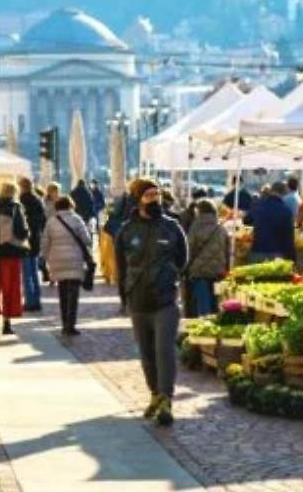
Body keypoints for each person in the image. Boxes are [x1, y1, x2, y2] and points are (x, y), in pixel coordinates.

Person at [116, 178, 188, 428]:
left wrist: (169, 276)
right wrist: (125, 295)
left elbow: (183, 259)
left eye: (157, 194)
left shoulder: (172, 227)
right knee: (146, 353)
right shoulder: (126, 230)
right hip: (138, 300)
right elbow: (121, 266)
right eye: (149, 195)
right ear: (138, 199)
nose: (155, 199)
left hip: (165, 299)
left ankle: (166, 399)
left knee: (164, 350)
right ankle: (155, 394)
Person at [0, 182, 30, 335]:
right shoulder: (15, 208)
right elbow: (22, 231)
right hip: (10, 253)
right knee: (10, 288)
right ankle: (7, 323)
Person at [42, 195, 92, 336]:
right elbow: (87, 240)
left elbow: (45, 242)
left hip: (57, 260)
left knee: (62, 293)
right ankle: (71, 325)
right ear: (71, 206)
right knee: (73, 294)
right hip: (75, 260)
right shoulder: (77, 219)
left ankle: (64, 324)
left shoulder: (51, 221)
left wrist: (44, 258)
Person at [184, 200, 228, 317]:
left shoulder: (196, 227)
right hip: (218, 270)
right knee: (215, 302)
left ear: (199, 211)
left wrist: (186, 266)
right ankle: (215, 321)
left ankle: (204, 321)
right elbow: (227, 250)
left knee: (203, 304)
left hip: (199, 271)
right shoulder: (220, 228)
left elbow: (189, 249)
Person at [243, 181, 296, 263]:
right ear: (284, 194)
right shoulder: (286, 212)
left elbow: (246, 220)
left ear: (271, 191)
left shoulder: (258, 206)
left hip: (256, 252)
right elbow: (288, 239)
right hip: (276, 255)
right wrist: (292, 259)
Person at [17, 177, 47, 312]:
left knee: (26, 273)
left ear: (22, 187)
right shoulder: (38, 200)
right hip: (36, 238)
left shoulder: (21, 201)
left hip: (25, 240)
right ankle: (37, 300)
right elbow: (43, 221)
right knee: (34, 272)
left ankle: (29, 302)